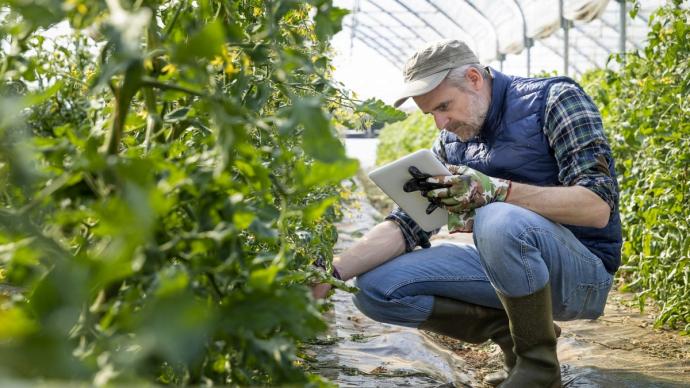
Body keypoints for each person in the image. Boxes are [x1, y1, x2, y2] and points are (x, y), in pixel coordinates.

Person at [312, 39, 622, 388]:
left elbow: (598, 207)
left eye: (444, 106)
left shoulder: (554, 100)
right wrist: (333, 273)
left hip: (581, 274)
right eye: (431, 113)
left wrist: (497, 191)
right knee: (375, 288)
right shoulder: (450, 144)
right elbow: (408, 224)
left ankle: (539, 369)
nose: (440, 123)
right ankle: (517, 334)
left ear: (474, 78)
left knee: (496, 217)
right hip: (512, 268)